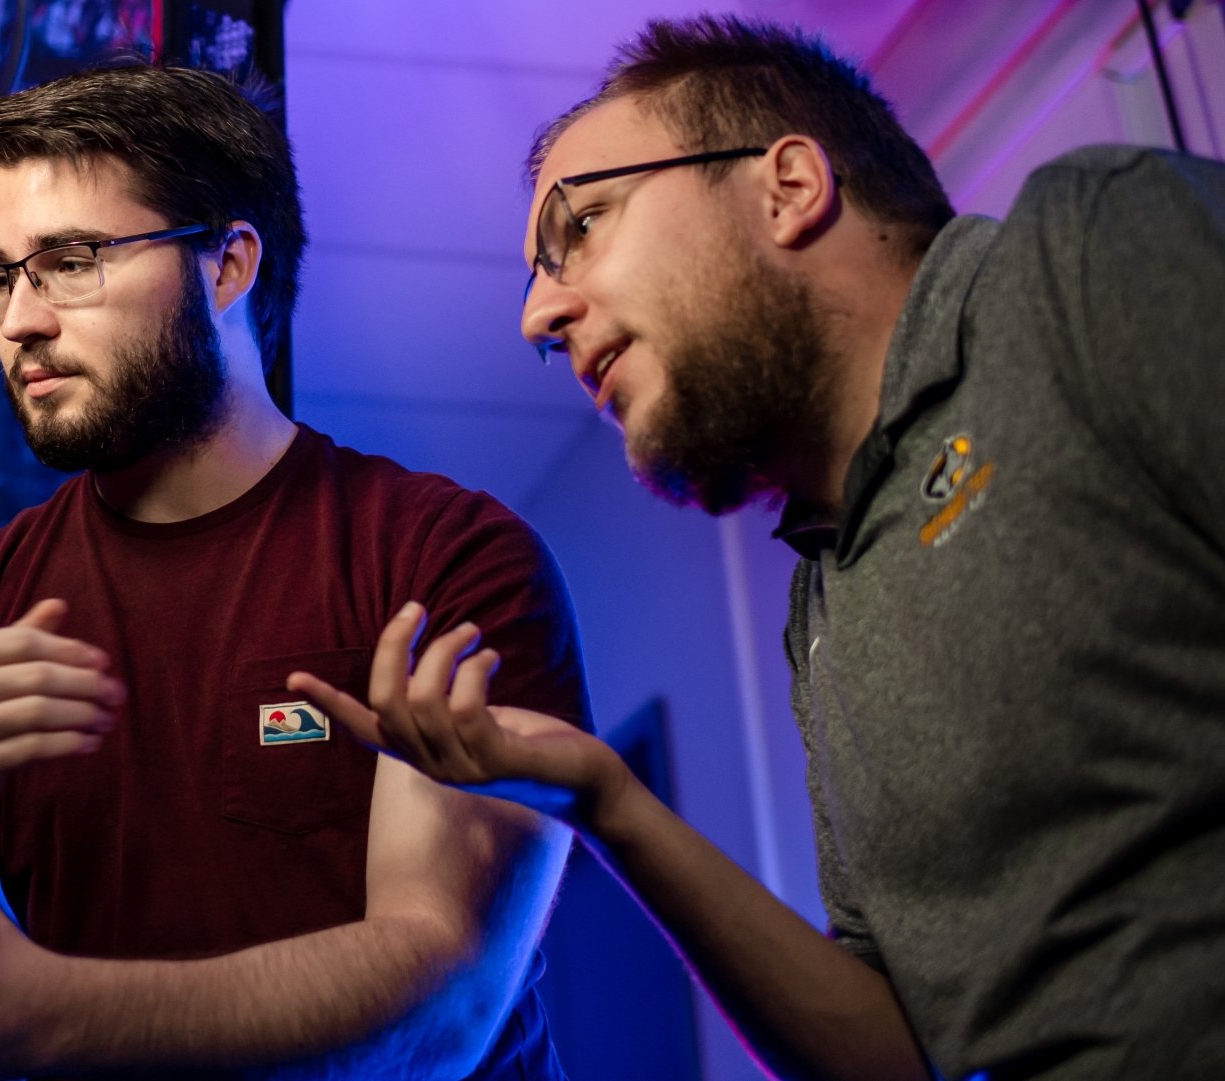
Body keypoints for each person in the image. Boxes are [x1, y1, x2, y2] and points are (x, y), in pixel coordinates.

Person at [292, 15, 1225, 1080]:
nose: (538, 316)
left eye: (583, 224)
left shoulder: (1081, 255)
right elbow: (891, 1047)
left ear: (788, 188)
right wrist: (608, 802)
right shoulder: (824, 599)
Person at [0, 63, 592, 1078]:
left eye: (69, 260)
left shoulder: (443, 561)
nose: (22, 321)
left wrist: (45, 1013)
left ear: (225, 266)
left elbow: (445, 1007)